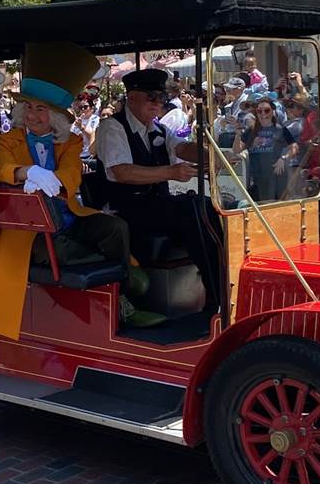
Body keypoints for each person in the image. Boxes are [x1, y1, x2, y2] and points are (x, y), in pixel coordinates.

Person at [0, 42, 163, 338]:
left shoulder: (70, 142)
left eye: (41, 109)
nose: (33, 115)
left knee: (114, 227)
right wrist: (25, 172)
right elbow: (0, 167)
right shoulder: (6, 141)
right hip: (28, 232)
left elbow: (73, 173)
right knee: (65, 250)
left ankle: (123, 285)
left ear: (56, 115)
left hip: (68, 217)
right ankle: (124, 298)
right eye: (29, 107)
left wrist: (55, 181)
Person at [93, 67, 224, 313]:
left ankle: (220, 290)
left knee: (209, 208)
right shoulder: (112, 127)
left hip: (155, 208)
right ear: (132, 97)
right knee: (193, 209)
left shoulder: (159, 129)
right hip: (126, 211)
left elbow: (181, 147)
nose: (157, 103)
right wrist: (171, 172)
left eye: (161, 97)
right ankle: (217, 299)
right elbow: (122, 172)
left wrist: (210, 155)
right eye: (151, 97)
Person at [235, 98, 297, 202]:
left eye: (267, 110)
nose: (263, 114)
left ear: (273, 111)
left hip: (277, 180)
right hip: (257, 180)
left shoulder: (280, 129)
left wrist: (283, 158)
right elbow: (237, 150)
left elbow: (294, 148)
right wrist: (237, 136)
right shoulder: (251, 131)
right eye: (259, 111)